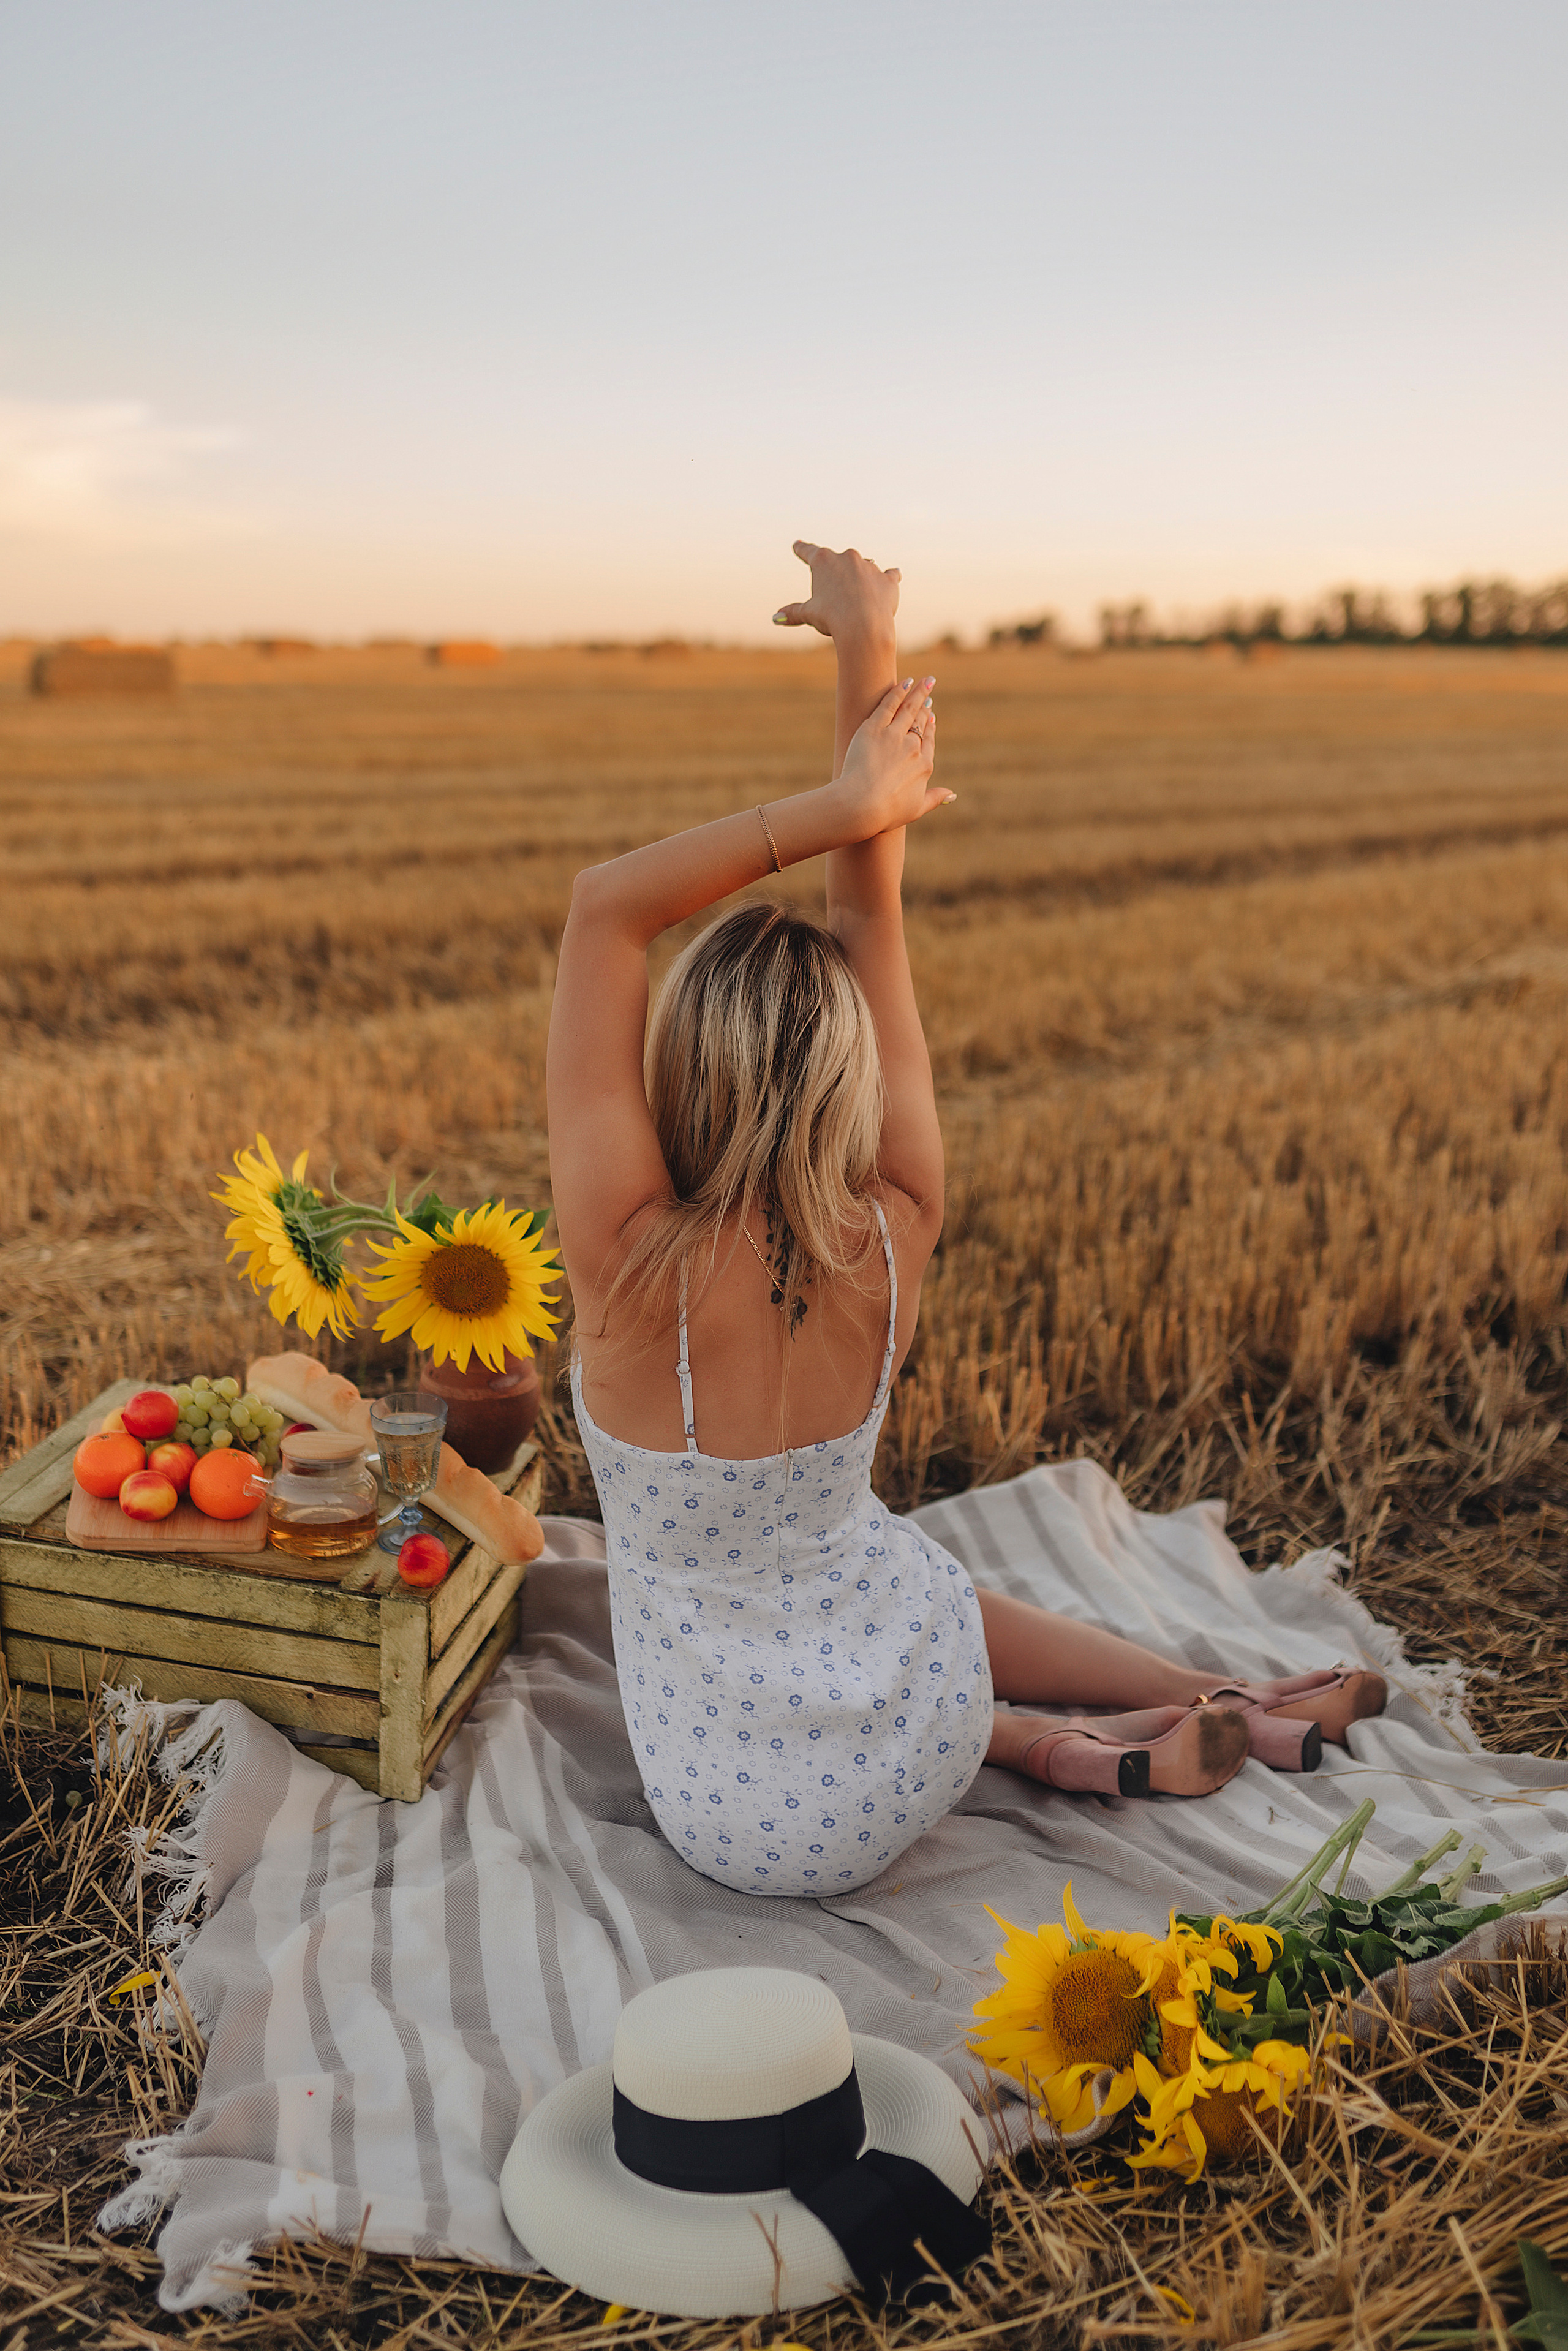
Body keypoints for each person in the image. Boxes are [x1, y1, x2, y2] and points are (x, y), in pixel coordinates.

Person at [545, 541, 1384, 1897]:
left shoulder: (630, 1264)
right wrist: (865, 653)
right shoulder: (896, 1223)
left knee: (866, 1563)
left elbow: (603, 912)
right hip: (910, 1750)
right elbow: (863, 914)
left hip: (730, 1816)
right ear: (850, 1076)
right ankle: (1181, 1704)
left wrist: (830, 797)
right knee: (884, 1563)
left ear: (676, 1077)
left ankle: (1104, 1731)